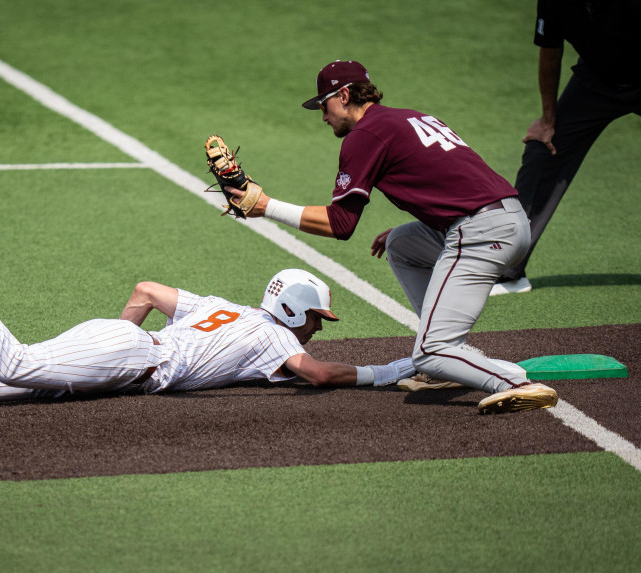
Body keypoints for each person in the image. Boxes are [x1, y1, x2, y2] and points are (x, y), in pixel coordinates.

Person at [224, 60, 558, 414]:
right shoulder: (408, 117)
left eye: (323, 105)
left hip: (481, 232)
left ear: (345, 95)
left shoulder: (364, 136)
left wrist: (266, 206)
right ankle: (450, 357)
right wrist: (423, 227)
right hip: (506, 218)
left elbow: (341, 224)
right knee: (401, 245)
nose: (322, 116)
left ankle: (514, 383)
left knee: (429, 353)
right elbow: (454, 181)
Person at [0, 232, 416, 402]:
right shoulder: (273, 339)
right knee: (14, 362)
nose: (318, 326)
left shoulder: (228, 308)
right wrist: (384, 372)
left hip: (124, 344)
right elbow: (316, 374)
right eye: (316, 318)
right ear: (293, 310)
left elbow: (144, 290)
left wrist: (121, 342)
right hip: (131, 355)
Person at [492, 0, 641, 295]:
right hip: (595, 83)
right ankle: (511, 270)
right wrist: (548, 120)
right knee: (542, 150)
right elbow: (550, 52)